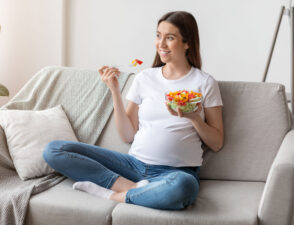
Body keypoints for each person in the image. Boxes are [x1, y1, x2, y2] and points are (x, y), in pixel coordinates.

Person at [43, 11, 224, 210]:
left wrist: (195, 119)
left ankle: (113, 196)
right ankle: (134, 188)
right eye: (158, 36)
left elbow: (216, 143)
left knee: (184, 187)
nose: (161, 44)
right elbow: (127, 134)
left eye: (170, 38)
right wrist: (114, 91)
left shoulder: (204, 83)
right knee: (54, 150)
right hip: (132, 165)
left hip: (175, 173)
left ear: (187, 43)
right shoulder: (144, 78)